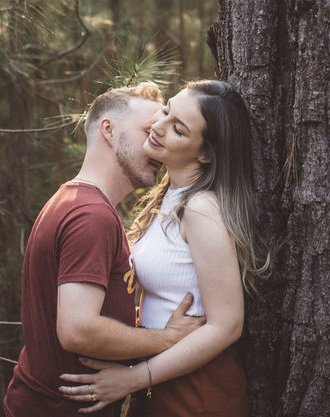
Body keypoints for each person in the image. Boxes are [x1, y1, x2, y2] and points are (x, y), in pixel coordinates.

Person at [58, 79, 267, 416]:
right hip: (161, 380)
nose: (158, 127)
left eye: (178, 129)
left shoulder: (200, 208)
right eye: (166, 111)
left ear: (204, 152)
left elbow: (227, 325)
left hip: (197, 390)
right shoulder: (168, 197)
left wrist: (134, 378)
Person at [3, 82, 204, 417]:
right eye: (147, 131)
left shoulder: (78, 201)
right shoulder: (91, 216)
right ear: (109, 131)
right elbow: (77, 330)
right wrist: (166, 339)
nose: (158, 146)